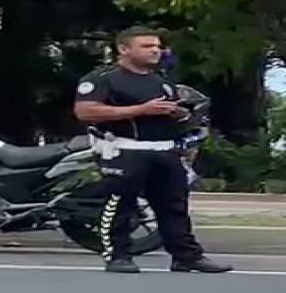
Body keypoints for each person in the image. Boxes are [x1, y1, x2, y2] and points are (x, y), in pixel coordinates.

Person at [74, 26, 232, 274]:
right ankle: (118, 256)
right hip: (124, 150)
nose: (155, 50)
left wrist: (178, 113)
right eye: (147, 46)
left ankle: (186, 256)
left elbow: (171, 113)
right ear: (124, 49)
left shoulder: (161, 82)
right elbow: (85, 111)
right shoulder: (102, 78)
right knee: (120, 205)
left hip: (165, 151)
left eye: (157, 46)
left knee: (175, 206)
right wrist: (140, 110)